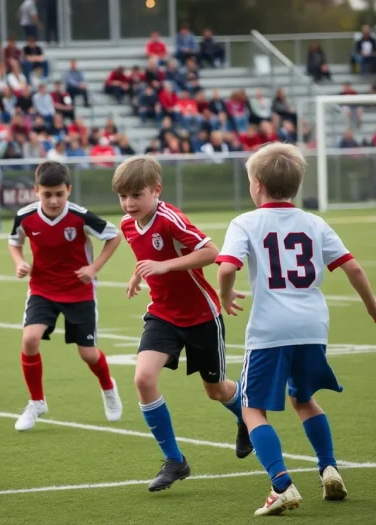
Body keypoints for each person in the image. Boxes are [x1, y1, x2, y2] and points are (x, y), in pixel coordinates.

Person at [215, 142, 376, 516]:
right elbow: (353, 267)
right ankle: (329, 467)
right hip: (313, 327)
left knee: (251, 408)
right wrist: (371, 304)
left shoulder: (245, 222)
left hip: (270, 330)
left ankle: (281, 484)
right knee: (304, 399)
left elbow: (226, 267)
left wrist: (225, 295)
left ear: (257, 185)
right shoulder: (315, 222)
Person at [112, 156, 251, 493]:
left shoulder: (171, 219)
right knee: (143, 378)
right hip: (162, 314)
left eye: (136, 195)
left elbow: (211, 252)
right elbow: (143, 255)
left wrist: (165, 266)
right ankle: (175, 461)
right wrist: (136, 276)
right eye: (123, 197)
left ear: (156, 190)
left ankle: (246, 415)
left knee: (216, 391)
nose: (129, 204)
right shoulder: (128, 224)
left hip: (202, 315)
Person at [8, 162, 123, 431]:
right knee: (30, 338)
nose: (54, 200)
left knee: (88, 354)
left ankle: (108, 387)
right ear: (36, 191)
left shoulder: (80, 216)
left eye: (60, 193)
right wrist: (19, 263)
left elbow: (114, 236)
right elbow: (15, 242)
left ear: (68, 190)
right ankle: (36, 402)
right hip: (42, 289)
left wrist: (94, 268)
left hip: (79, 291)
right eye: (47, 194)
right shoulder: (25, 216)